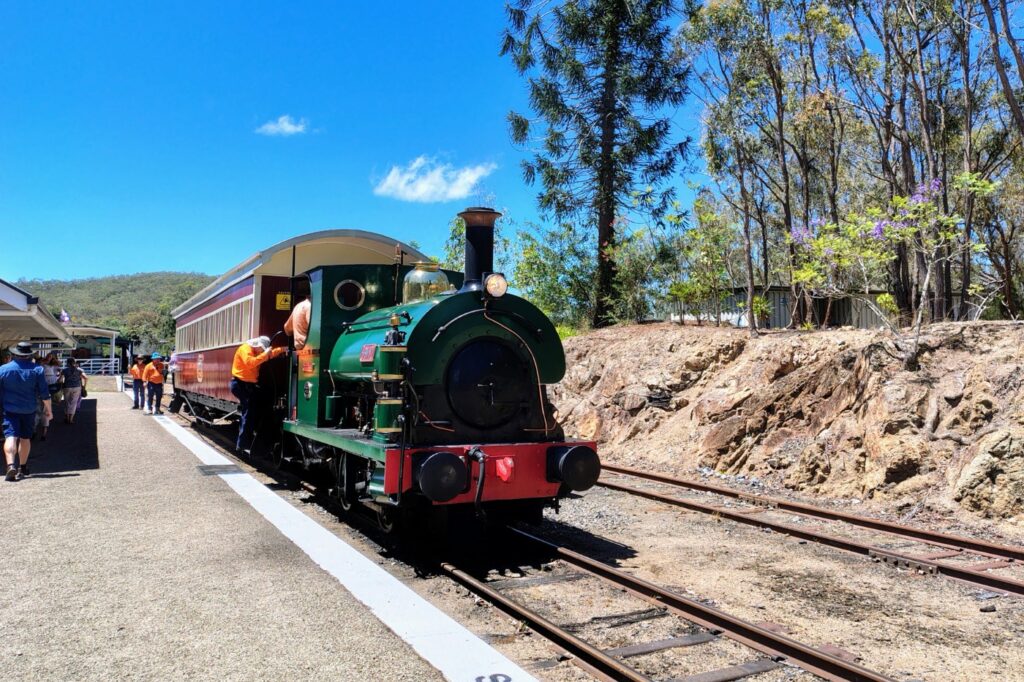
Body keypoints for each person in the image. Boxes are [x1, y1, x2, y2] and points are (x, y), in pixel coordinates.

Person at [0, 341, 52, 481]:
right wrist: (49, 410)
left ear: (14, 354)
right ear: (29, 355)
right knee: (25, 438)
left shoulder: (3, 369)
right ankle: (22, 467)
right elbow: (44, 393)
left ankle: (10, 465)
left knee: (11, 436)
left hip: (9, 410)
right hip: (29, 410)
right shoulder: (37, 369)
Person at [230, 336, 286, 454]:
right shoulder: (245, 349)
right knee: (248, 410)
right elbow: (250, 363)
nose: (262, 352)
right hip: (240, 384)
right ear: (259, 346)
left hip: (249, 385)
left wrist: (283, 349)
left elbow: (269, 355)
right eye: (262, 349)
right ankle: (242, 444)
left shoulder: (258, 352)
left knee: (258, 407)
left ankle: (255, 436)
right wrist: (265, 354)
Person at [61, 357, 87, 424]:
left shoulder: (64, 370)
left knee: (66, 402)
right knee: (73, 403)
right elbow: (86, 378)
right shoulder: (79, 370)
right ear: (74, 362)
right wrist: (84, 386)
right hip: (77, 387)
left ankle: (67, 418)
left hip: (67, 387)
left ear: (67, 363)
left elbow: (60, 379)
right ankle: (71, 419)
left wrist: (60, 384)